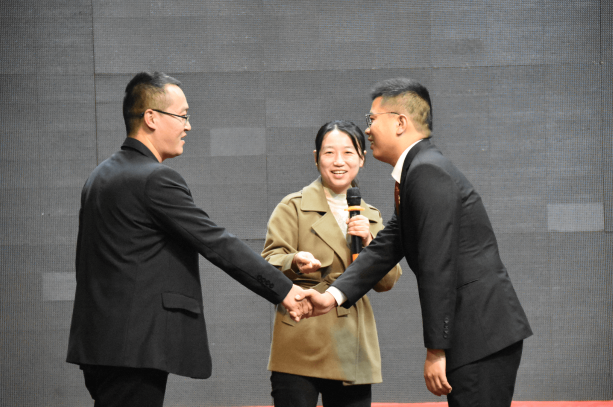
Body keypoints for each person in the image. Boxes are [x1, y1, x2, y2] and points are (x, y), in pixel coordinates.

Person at [66, 71, 311, 407]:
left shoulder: (100, 175)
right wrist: (285, 290)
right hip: (135, 350)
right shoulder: (155, 178)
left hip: (99, 345)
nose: (188, 126)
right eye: (182, 116)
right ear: (151, 118)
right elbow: (216, 242)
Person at [305, 78, 533, 407]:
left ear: (400, 123)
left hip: (479, 335)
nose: (367, 129)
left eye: (372, 119)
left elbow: (438, 265)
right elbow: (388, 245)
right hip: (478, 334)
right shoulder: (418, 170)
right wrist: (331, 297)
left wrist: (437, 350)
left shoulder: (427, 172)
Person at [261, 120, 402, 407]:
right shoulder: (293, 206)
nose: (339, 161)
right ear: (316, 158)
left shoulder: (370, 215)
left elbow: (387, 281)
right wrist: (294, 261)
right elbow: (267, 264)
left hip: (351, 341)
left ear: (362, 159)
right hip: (301, 336)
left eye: (348, 153)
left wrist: (369, 241)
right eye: (329, 153)